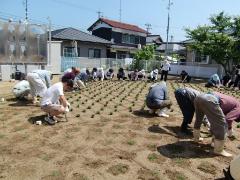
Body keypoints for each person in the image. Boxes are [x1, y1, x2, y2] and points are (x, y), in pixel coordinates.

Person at [193, 93, 232, 157]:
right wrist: (229, 128)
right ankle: (219, 150)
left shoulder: (231, 102)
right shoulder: (238, 109)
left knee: (199, 119)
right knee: (222, 124)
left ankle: (196, 139)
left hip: (199, 97)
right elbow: (228, 119)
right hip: (210, 100)